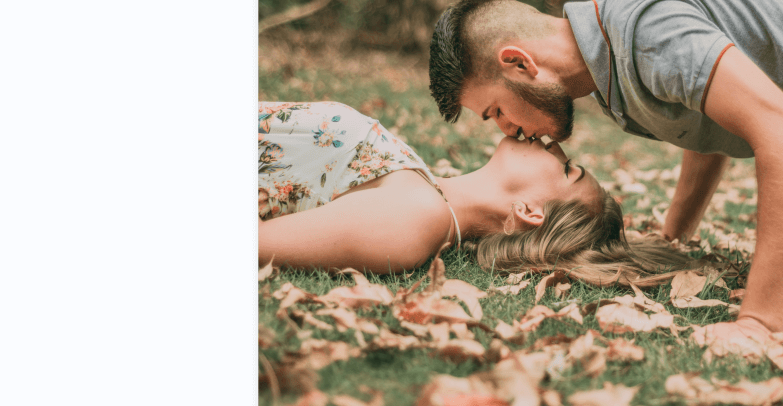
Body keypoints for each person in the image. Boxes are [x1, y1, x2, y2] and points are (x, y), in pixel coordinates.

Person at [428, 0, 783, 346]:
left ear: (520, 63)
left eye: (497, 111)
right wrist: (674, 236)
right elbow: (709, 116)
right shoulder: (612, 71)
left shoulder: (644, 29)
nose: (508, 130)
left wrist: (759, 325)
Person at [258, 101, 699, 280]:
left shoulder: (415, 220)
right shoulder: (423, 193)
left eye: (567, 169)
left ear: (530, 210)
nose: (554, 144)